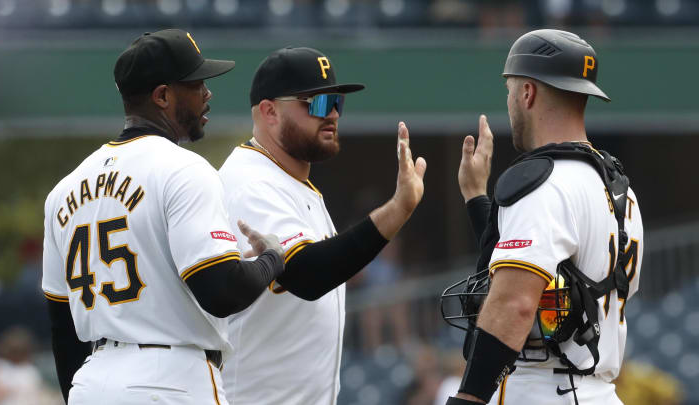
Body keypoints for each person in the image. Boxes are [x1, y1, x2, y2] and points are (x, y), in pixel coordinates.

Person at [42, 29, 285, 405]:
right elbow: (221, 291)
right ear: (163, 96)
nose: (207, 94)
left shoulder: (64, 190)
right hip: (171, 380)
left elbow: (62, 328)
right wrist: (272, 259)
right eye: (197, 84)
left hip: (92, 382)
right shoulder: (183, 169)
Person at [218, 46, 427, 405]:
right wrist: (398, 209)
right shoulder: (251, 182)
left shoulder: (294, 186)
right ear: (269, 111)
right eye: (314, 102)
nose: (331, 113)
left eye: (336, 103)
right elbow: (307, 274)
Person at [445, 29, 644, 405]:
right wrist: (476, 198)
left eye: (510, 90)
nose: (509, 101)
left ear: (527, 93)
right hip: (596, 390)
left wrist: (467, 398)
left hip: (545, 389)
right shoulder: (621, 190)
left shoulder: (542, 181)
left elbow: (515, 303)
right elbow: (550, 271)